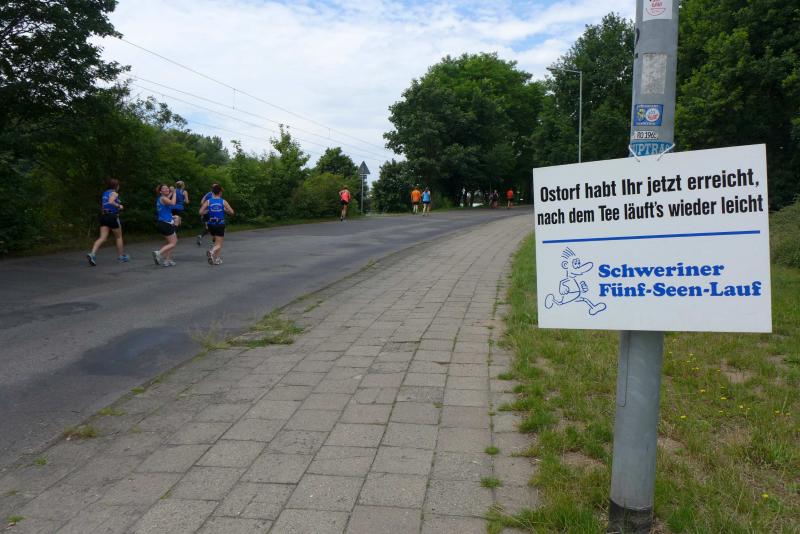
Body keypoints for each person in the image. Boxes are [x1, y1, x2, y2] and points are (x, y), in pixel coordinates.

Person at [87, 179, 129, 266]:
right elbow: (111, 201)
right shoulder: (114, 193)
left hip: (104, 216)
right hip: (112, 216)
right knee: (119, 237)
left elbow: (104, 206)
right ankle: (121, 257)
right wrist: (119, 206)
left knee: (102, 237)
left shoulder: (105, 193)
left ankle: (92, 254)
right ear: (117, 186)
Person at [199, 184, 234, 265]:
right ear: (220, 192)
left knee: (216, 242)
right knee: (219, 244)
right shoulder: (223, 201)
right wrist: (224, 210)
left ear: (212, 192)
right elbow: (232, 212)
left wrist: (208, 211)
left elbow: (200, 212)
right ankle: (211, 252)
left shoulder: (208, 201)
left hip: (211, 224)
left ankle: (217, 259)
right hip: (219, 224)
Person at [153, 184, 177, 267]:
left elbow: (168, 199)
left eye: (167, 188)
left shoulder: (161, 198)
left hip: (163, 223)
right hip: (165, 223)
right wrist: (174, 193)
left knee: (169, 243)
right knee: (173, 243)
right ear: (160, 191)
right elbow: (173, 203)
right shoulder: (163, 198)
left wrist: (172, 192)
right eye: (164, 188)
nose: (167, 189)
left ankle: (167, 260)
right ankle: (158, 253)